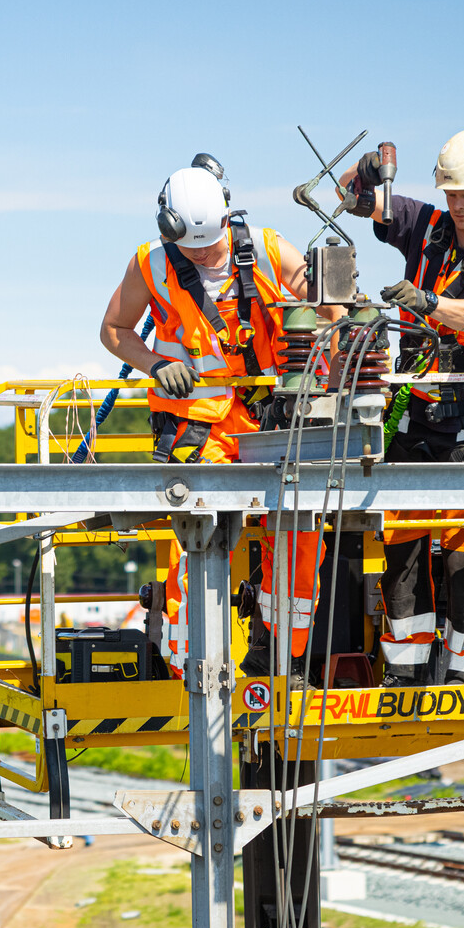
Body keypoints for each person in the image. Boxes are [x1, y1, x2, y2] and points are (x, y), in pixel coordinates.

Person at [100, 154, 324, 676]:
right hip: (195, 422)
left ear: (227, 216)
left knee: (296, 530)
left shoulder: (267, 251)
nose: (203, 258)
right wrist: (155, 364)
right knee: (198, 535)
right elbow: (114, 331)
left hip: (267, 418)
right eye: (191, 251)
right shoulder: (151, 264)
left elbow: (329, 305)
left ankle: (277, 654)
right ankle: (187, 659)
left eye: (210, 247)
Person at [340, 128, 464, 686]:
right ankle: (405, 670)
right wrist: (366, 175)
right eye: (450, 195)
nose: (457, 207)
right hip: (412, 417)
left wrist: (426, 302)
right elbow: (347, 200)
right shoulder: (428, 227)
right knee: (401, 542)